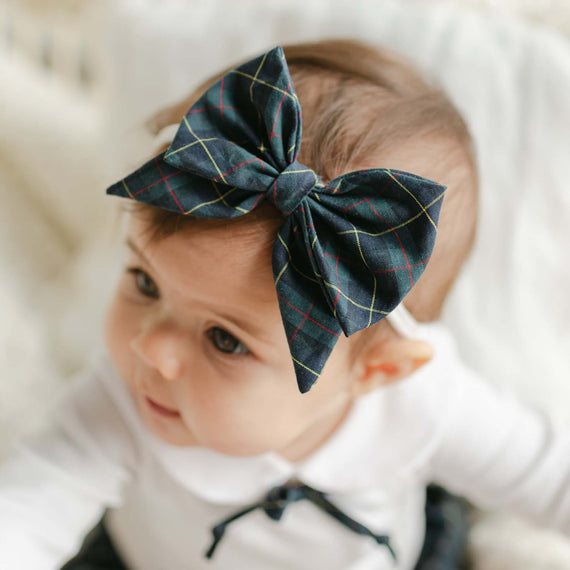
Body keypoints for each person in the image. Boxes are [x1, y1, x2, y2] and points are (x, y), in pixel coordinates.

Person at [1, 39, 569, 570]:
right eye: (145, 283)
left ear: (378, 371)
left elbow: (550, 480)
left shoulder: (425, 402)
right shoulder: (125, 398)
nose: (150, 346)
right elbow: (30, 504)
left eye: (225, 339)